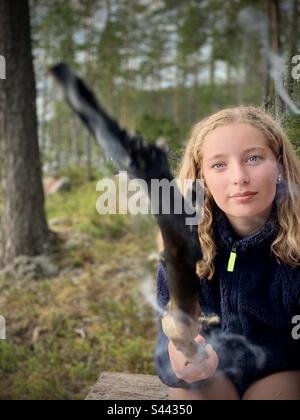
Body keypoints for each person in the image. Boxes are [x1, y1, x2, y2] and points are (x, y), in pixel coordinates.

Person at [155, 106, 300, 400]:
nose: (239, 177)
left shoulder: (295, 249)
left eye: (254, 158)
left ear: (281, 166)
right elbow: (166, 341)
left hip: (283, 369)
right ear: (202, 181)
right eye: (219, 165)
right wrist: (180, 362)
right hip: (213, 373)